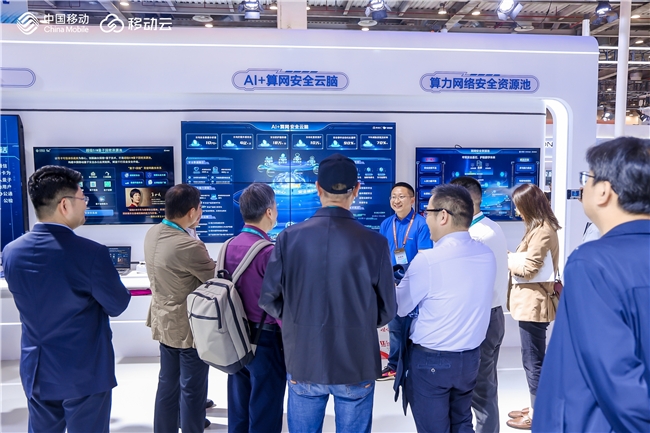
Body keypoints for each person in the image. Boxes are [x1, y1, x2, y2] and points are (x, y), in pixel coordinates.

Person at [259, 153, 396, 433]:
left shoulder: (288, 238)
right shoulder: (376, 242)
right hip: (356, 360)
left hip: (304, 358)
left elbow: (269, 298)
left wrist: (298, 319)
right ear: (356, 190)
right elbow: (387, 310)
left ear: (318, 188)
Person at [2, 165, 131, 433]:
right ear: (64, 204)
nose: (86, 204)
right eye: (83, 198)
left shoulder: (11, 252)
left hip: (36, 369)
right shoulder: (91, 254)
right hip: (84, 372)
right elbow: (118, 304)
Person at [534, 137, 650, 432]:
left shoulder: (592, 262)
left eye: (587, 177)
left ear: (603, 191)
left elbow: (615, 377)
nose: (583, 186)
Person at [396, 184, 495, 433]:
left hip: (432, 361)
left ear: (443, 216)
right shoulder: (486, 254)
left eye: (427, 212)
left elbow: (400, 307)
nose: (425, 219)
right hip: (469, 359)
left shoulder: (428, 260)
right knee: (462, 423)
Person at [144, 184, 216, 433]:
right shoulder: (188, 246)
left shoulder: (153, 232)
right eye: (200, 208)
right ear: (192, 211)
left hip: (164, 322)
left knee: (167, 385)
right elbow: (214, 276)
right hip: (187, 329)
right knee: (192, 390)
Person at [223, 183, 286, 433]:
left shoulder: (228, 245)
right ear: (269, 212)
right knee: (266, 411)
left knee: (239, 408)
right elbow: (280, 301)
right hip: (266, 341)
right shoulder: (269, 252)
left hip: (234, 337)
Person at [450, 176, 509, 433]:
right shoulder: (492, 227)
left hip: (480, 320)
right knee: (486, 387)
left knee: (480, 392)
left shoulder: (475, 235)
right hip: (493, 316)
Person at [506, 183, 561, 430]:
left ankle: (539, 414)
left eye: (519, 207)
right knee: (533, 358)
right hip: (532, 303)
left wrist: (507, 258)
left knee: (533, 361)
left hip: (534, 304)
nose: (517, 212)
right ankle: (536, 406)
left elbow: (529, 269)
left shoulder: (543, 231)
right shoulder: (538, 228)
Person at [378, 182, 432, 380]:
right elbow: (382, 255)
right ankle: (394, 366)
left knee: (415, 327)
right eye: (393, 197)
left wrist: (409, 279)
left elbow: (425, 256)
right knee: (394, 327)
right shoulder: (386, 224)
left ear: (412, 200)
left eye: (401, 196)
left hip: (414, 283)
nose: (396, 200)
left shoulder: (421, 224)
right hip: (392, 284)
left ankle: (413, 366)